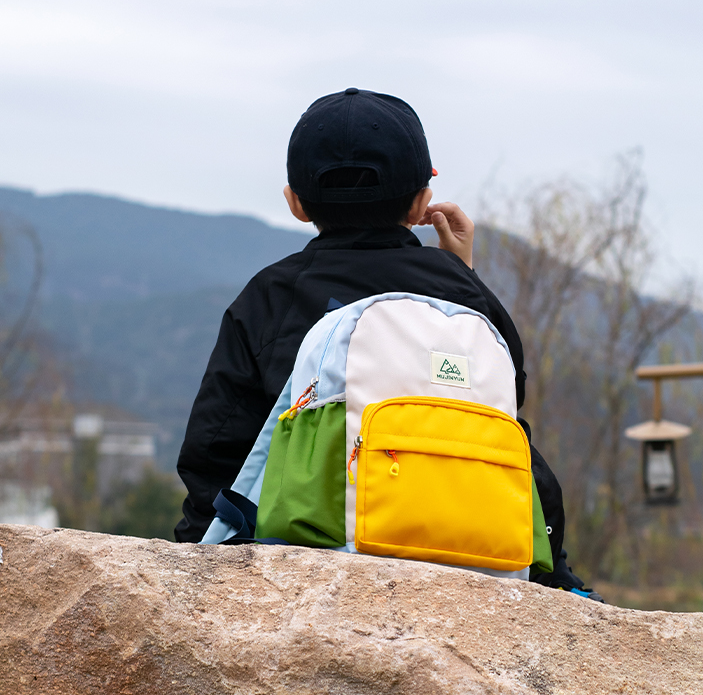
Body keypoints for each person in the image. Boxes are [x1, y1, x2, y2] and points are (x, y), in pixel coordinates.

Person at [174, 87, 600, 599]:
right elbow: (504, 406)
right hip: (470, 564)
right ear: (423, 201)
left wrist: (196, 560)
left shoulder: (271, 295)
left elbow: (215, 448)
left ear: (295, 202)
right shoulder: (466, 293)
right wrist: (460, 276)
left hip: (311, 568)